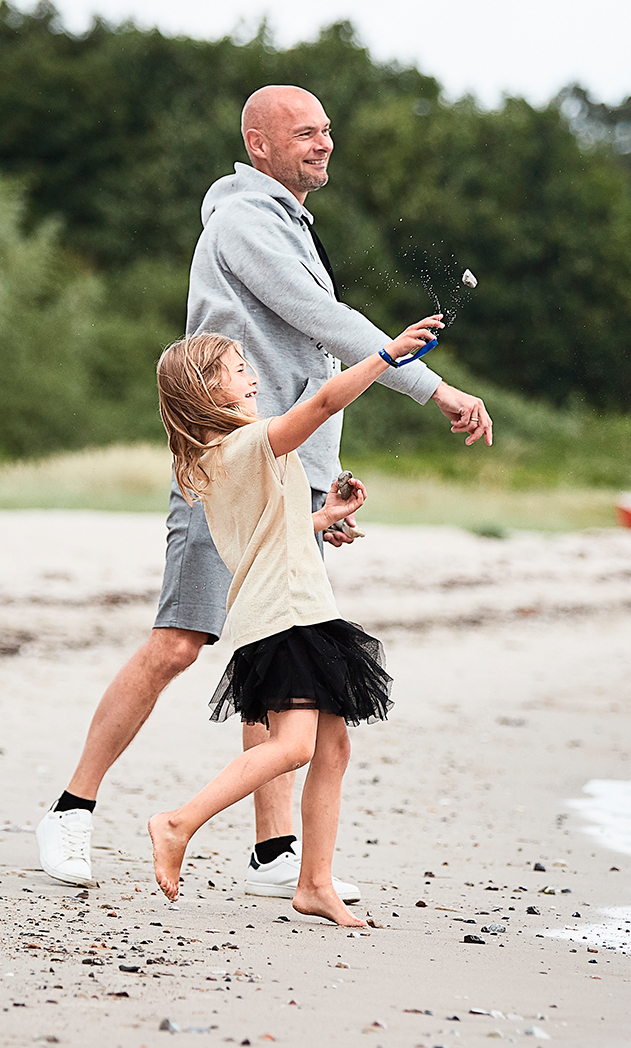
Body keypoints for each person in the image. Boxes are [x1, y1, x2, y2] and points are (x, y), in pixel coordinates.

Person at [36, 84, 494, 898]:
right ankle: (72, 808)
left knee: (272, 645)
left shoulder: (288, 221)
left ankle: (274, 851)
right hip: (234, 465)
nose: (323, 144)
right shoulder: (247, 219)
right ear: (259, 144)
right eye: (304, 133)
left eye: (326, 131)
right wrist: (435, 388)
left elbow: (302, 367)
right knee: (181, 642)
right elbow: (322, 320)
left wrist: (322, 492)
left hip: (291, 473)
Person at [147, 320, 438, 922]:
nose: (253, 375)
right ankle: (178, 823)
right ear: (207, 391)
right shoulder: (247, 445)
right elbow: (326, 400)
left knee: (333, 749)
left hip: (299, 610)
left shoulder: (220, 458)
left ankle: (314, 883)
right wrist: (384, 355)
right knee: (295, 746)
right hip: (285, 617)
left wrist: (322, 515)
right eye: (237, 368)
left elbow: (268, 536)